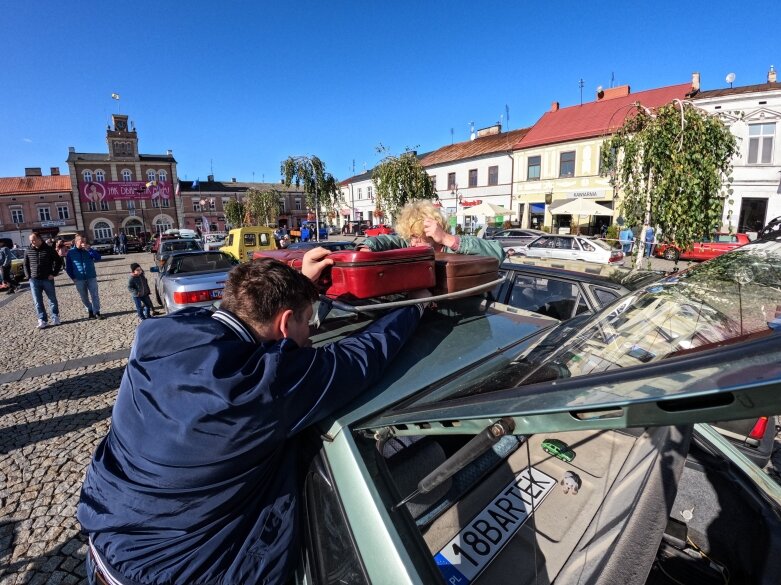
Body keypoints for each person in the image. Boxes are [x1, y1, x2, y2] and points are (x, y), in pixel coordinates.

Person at [77, 248, 427, 585]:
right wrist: (418, 302)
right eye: (308, 322)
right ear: (286, 322)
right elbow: (360, 359)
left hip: (106, 540)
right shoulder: (259, 389)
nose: (311, 334)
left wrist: (297, 284)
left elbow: (244, 313)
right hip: (186, 571)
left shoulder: (159, 335)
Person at [361, 200, 505, 261]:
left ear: (432, 231)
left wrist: (446, 239)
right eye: (411, 237)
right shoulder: (411, 245)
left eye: (417, 236)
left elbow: (498, 252)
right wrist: (366, 248)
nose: (412, 243)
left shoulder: (452, 247)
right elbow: (388, 240)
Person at [24, 232, 63, 329]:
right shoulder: (28, 250)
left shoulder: (49, 249)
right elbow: (25, 264)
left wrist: (53, 273)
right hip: (34, 280)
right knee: (37, 301)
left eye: (33, 240)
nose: (31, 242)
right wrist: (28, 276)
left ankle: (55, 317)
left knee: (52, 299)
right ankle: (42, 319)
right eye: (30, 240)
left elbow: (58, 261)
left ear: (39, 239)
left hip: (47, 279)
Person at [66, 234, 103, 320]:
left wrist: (89, 250)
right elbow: (68, 267)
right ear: (76, 242)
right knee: (84, 296)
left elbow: (98, 258)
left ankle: (97, 312)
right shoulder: (71, 252)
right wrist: (73, 278)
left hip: (91, 276)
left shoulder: (88, 250)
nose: (83, 243)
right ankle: (90, 310)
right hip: (79, 278)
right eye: (81, 241)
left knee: (95, 295)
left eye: (85, 241)